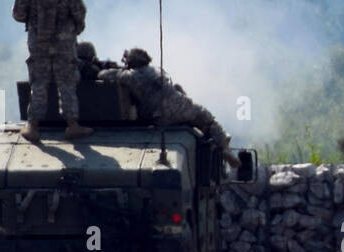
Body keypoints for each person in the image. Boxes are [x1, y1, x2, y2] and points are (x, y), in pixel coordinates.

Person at [99, 48, 239, 166]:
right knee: (207, 119)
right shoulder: (158, 71)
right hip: (182, 107)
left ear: (130, 64)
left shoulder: (129, 76)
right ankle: (225, 147)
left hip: (158, 117)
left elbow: (104, 75)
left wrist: (114, 69)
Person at [12, 0, 91, 142]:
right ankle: (72, 126)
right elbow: (80, 16)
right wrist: (72, 32)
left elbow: (18, 14)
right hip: (64, 47)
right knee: (67, 83)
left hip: (38, 45)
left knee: (39, 83)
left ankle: (33, 126)